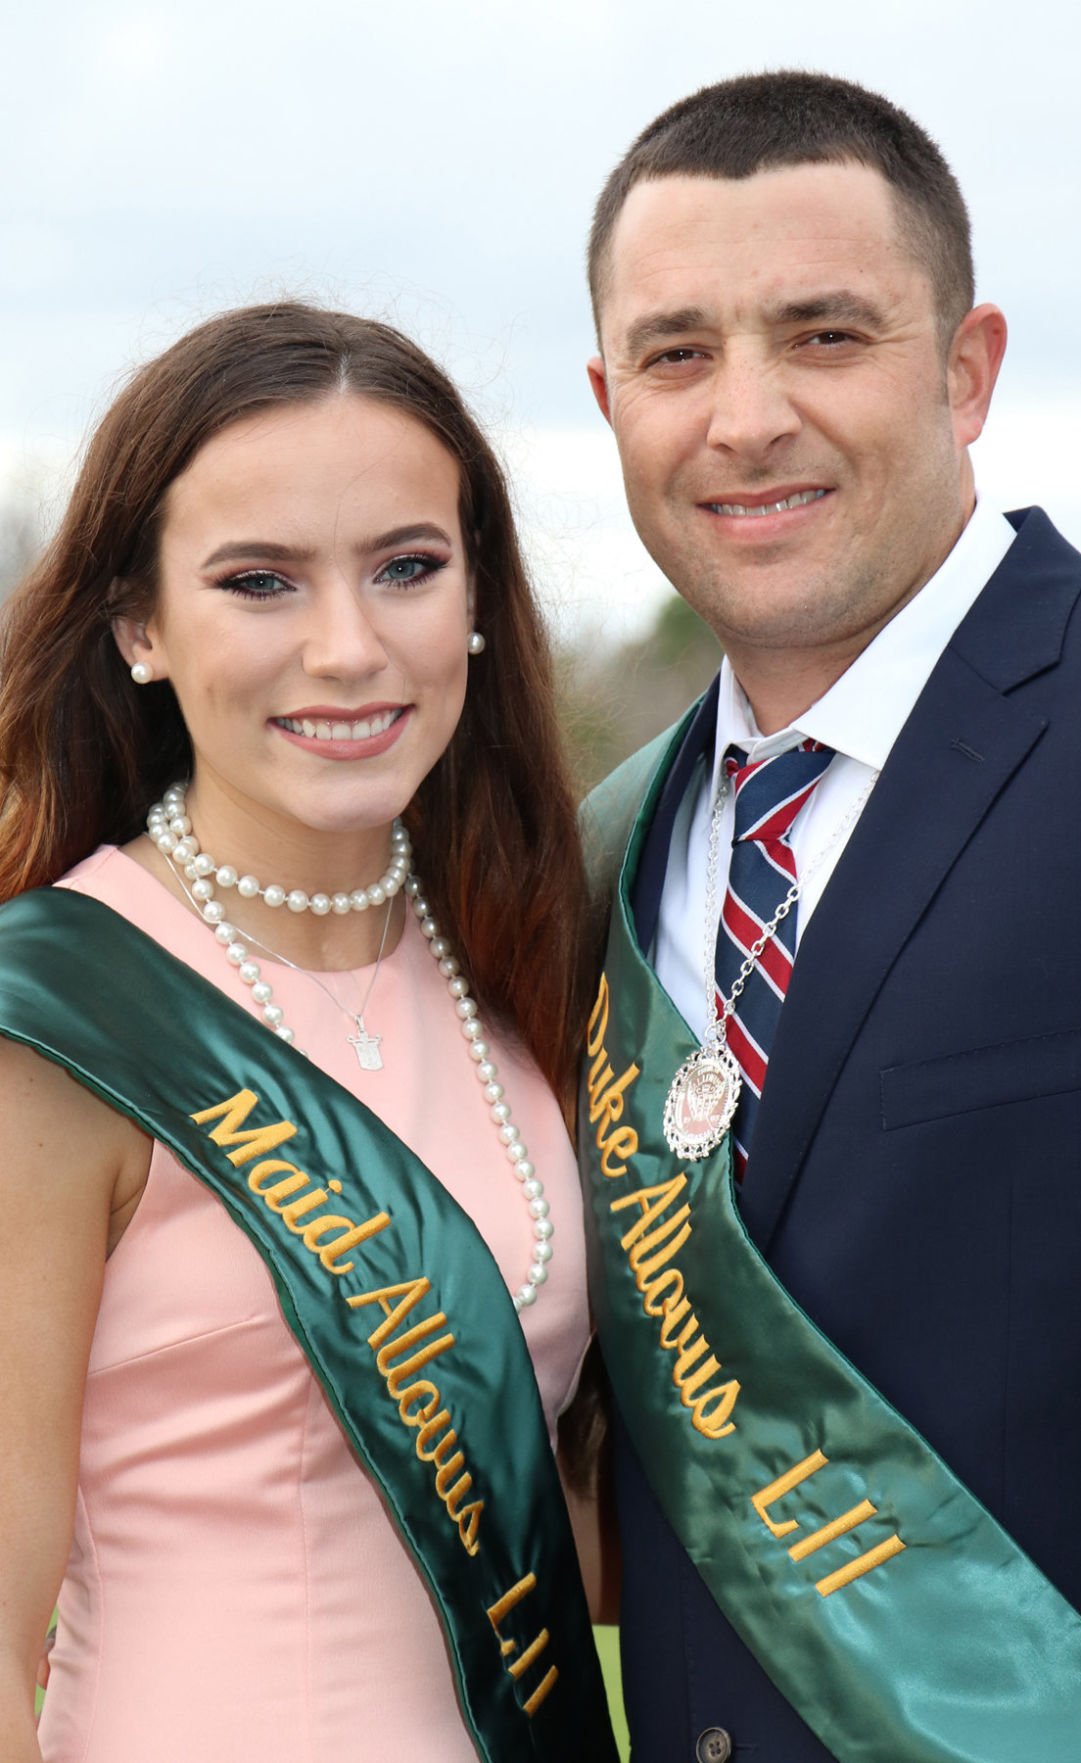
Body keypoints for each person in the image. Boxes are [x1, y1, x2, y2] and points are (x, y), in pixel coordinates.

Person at [577, 70, 1081, 1762]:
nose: (745, 417)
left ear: (967, 370)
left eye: (825, 336)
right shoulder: (591, 861)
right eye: (679, 355)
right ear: (611, 397)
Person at [0, 303, 617, 1763]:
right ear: (138, 625)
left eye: (407, 568)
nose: (349, 648)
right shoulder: (54, 1025)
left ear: (476, 597)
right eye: (260, 581)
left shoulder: (528, 970)